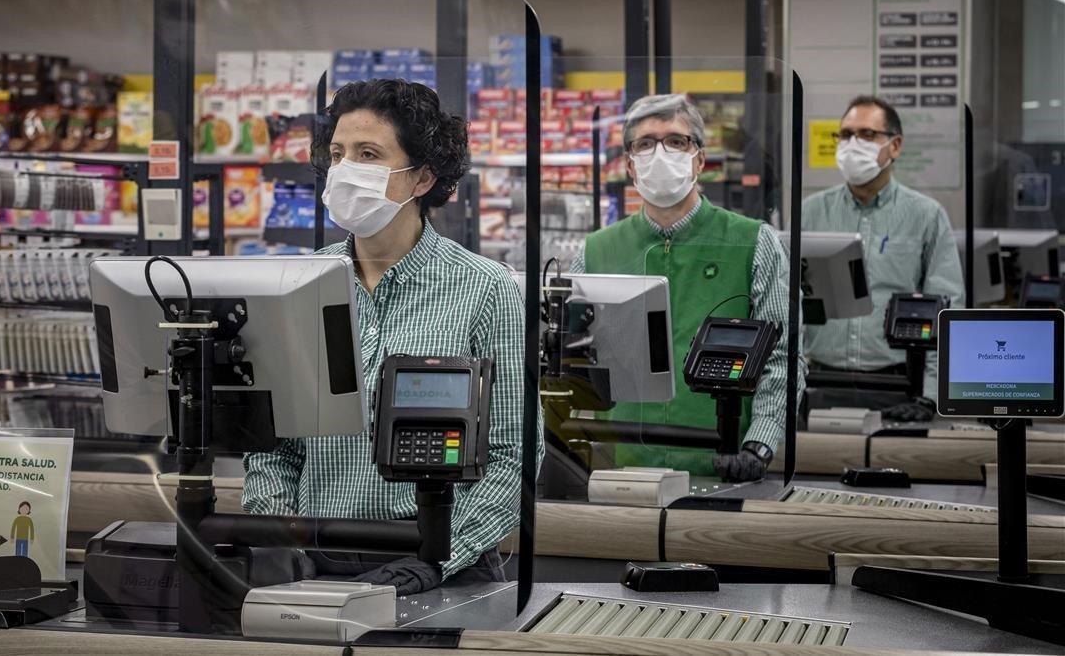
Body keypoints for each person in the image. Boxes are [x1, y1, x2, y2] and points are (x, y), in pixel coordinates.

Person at [242, 79, 541, 595]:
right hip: (314, 564)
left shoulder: (484, 289)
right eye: (338, 154)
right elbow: (273, 444)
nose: (345, 170)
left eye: (368, 154)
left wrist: (438, 557)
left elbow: (513, 454)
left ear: (423, 176)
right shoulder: (297, 283)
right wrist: (279, 537)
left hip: (438, 567)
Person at [571, 93, 797, 483]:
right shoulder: (595, 251)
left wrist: (758, 446)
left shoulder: (753, 242)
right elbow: (571, 366)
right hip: (622, 469)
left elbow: (783, 358)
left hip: (723, 464)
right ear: (629, 164)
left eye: (676, 141)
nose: (660, 154)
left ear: (700, 160)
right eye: (645, 143)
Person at [803, 95, 964, 421]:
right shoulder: (809, 212)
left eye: (866, 134)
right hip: (819, 382)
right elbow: (786, 305)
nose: (852, 145)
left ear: (895, 146)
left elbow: (947, 312)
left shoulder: (926, 215)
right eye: (846, 135)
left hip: (898, 385)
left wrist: (929, 396)